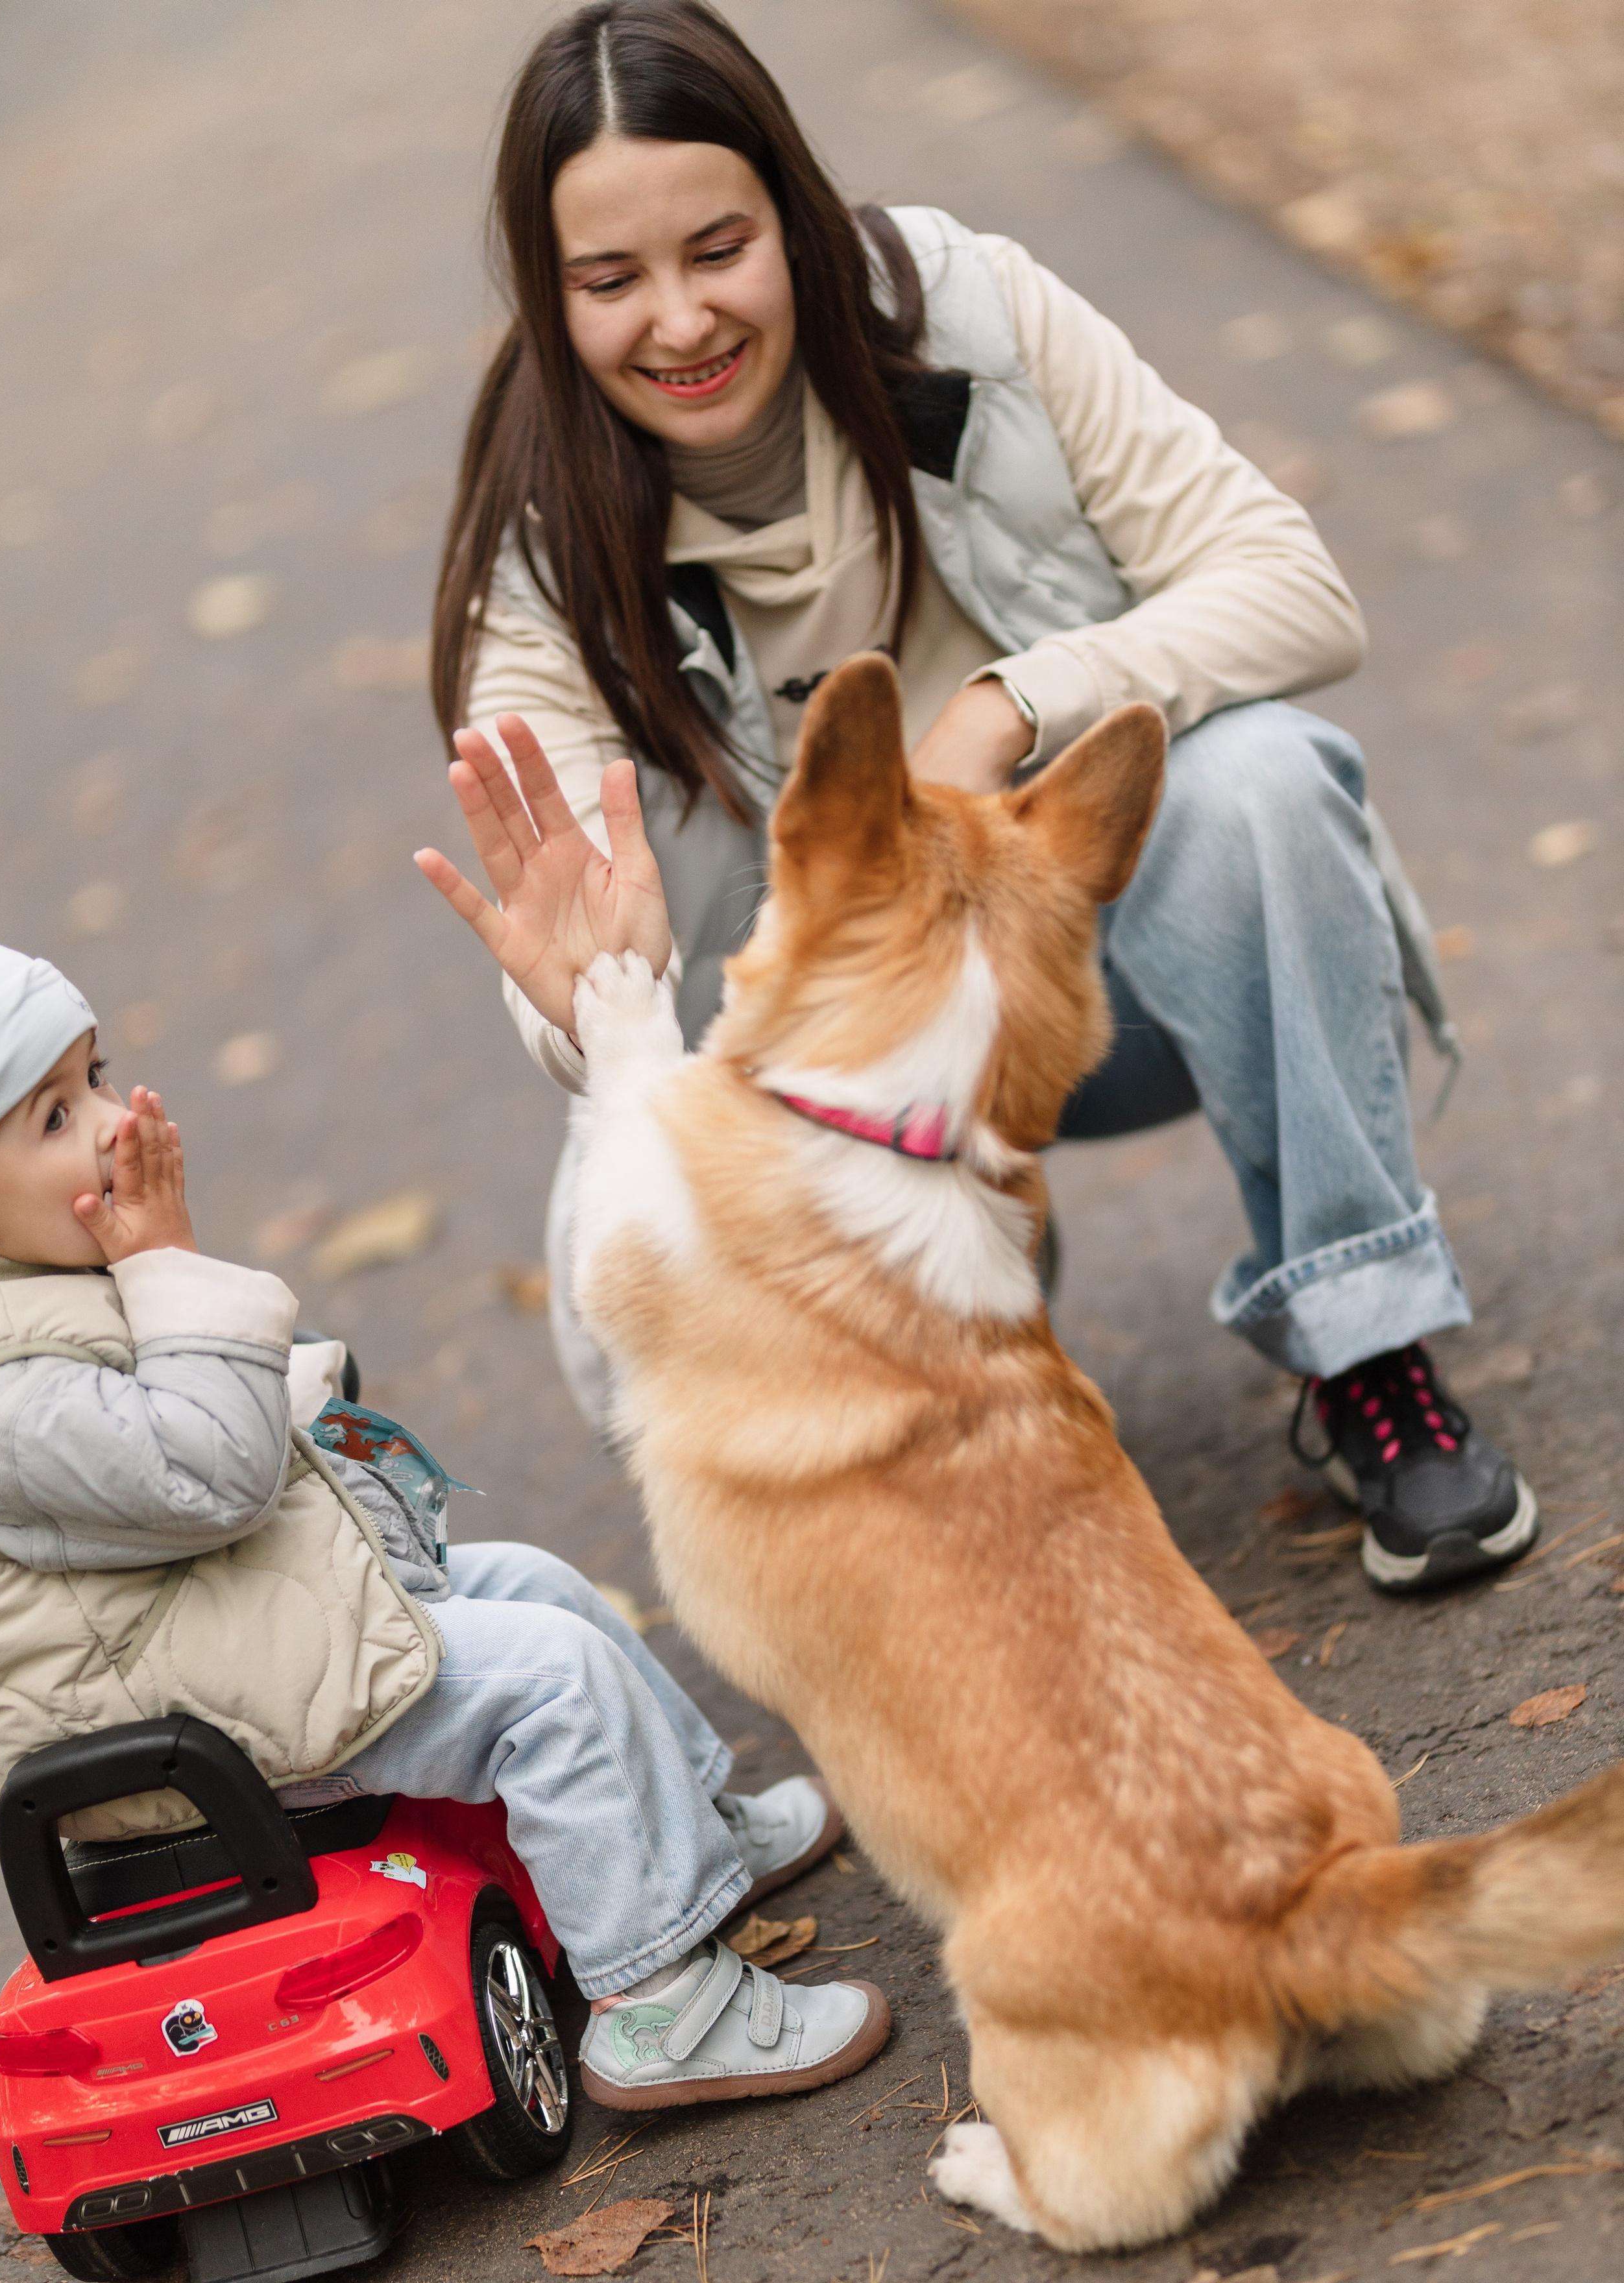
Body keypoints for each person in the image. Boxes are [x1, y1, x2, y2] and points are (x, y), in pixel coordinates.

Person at [419, 0, 1538, 1595]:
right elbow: (571, 948)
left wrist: (1012, 707)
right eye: (609, 281)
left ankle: (1363, 1343)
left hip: (1106, 986)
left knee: (1262, 780)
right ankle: (935, 1340)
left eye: (717, 248)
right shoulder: (541, 548)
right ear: (553, 295)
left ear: (791, 219)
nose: (677, 320)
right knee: (633, 1183)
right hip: (836, 1081)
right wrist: (583, 999)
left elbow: (1293, 589)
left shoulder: (969, 313)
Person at [0, 922, 888, 2108]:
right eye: (52, 1118)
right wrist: (173, 1270)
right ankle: (664, 1998)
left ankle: (689, 1847)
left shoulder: (36, 1291)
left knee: (541, 1589)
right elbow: (207, 1475)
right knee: (551, 1683)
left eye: (92, 1076)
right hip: (187, 1725)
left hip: (228, 1643)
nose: (108, 1120)